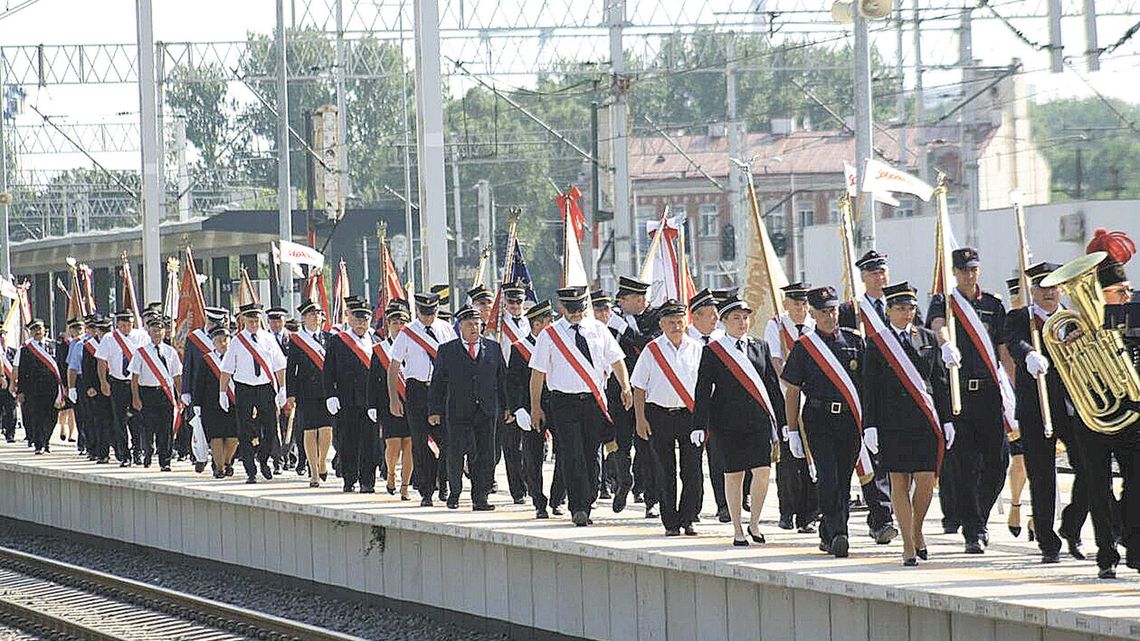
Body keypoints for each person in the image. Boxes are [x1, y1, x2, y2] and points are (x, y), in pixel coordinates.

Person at [928, 247, 1012, 554]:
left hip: (989, 392)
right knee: (963, 465)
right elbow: (939, 325)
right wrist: (946, 344)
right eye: (963, 270)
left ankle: (980, 515)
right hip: (958, 393)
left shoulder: (993, 304)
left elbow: (1002, 349)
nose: (969, 274)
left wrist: (1015, 391)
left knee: (998, 461)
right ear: (955, 272)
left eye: (973, 269)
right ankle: (973, 530)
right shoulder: (944, 302)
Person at [863, 282, 954, 566]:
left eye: (911, 308)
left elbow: (939, 383)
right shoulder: (877, 343)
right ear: (888, 310)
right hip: (892, 423)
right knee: (899, 482)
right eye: (900, 309)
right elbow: (870, 388)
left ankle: (917, 529)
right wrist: (870, 426)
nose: (906, 314)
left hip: (924, 420)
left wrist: (948, 419)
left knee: (926, 481)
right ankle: (907, 543)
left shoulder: (926, 338)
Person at [1004, 261, 1089, 563]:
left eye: (1053, 286)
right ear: (1033, 290)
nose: (1049, 292)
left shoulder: (1074, 319)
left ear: (1061, 288)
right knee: (1041, 477)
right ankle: (1047, 542)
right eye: (1042, 287)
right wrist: (1028, 354)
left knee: (1090, 470)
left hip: (1073, 406)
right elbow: (1014, 342)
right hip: (1036, 408)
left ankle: (1072, 525)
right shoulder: (1019, 318)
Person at [529, 286, 631, 527]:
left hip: (593, 401)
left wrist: (625, 387)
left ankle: (591, 496)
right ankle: (579, 507)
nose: (576, 313)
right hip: (564, 402)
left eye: (580, 309)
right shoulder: (550, 335)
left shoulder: (598, 330)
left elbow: (617, 360)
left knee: (591, 454)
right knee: (571, 454)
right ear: (562, 308)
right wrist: (535, 407)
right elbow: (537, 374)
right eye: (571, 309)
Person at [691, 294, 785, 546]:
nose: (742, 322)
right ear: (724, 322)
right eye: (736, 318)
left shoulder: (760, 346)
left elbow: (772, 387)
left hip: (758, 421)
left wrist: (784, 421)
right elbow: (702, 389)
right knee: (734, 475)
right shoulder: (713, 351)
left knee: (763, 471)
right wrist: (699, 424)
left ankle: (754, 522)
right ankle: (737, 528)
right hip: (727, 423)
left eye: (745, 318)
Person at [781, 286, 865, 558]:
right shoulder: (805, 347)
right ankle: (839, 532)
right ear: (813, 314)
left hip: (849, 422)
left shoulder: (854, 341)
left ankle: (829, 532)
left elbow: (866, 385)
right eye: (824, 312)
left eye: (833, 310)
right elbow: (792, 389)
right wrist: (792, 430)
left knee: (843, 478)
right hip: (818, 418)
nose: (830, 316)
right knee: (827, 477)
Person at [837, 249, 900, 545]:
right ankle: (882, 518)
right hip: (863, 390)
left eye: (883, 272)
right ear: (862, 277)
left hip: (897, 391)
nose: (880, 277)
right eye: (873, 273)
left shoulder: (899, 304)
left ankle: (887, 514)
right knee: (869, 457)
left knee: (891, 458)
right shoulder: (851, 311)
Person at [631, 300, 703, 536]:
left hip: (689, 416)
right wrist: (640, 420)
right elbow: (639, 388)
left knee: (692, 470)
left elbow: (705, 387)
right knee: (665, 470)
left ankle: (689, 517)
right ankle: (670, 522)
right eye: (670, 322)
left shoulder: (697, 349)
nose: (676, 326)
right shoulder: (652, 351)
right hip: (659, 414)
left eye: (680, 322)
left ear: (686, 322)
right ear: (661, 324)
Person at [430, 304, 509, 510]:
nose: (474, 328)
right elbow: (438, 381)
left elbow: (502, 380)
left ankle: (480, 497)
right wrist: (434, 410)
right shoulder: (447, 350)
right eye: (469, 324)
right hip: (458, 410)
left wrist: (508, 407)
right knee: (456, 453)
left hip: (486, 410)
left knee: (486, 454)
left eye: (477, 324)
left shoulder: (493, 348)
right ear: (460, 327)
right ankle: (455, 492)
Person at [389, 291, 457, 506]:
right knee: (420, 442)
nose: (428, 317)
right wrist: (393, 398)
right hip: (417, 391)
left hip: (442, 390)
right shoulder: (407, 333)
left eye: (432, 313)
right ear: (417, 311)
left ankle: (444, 482)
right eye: (424, 313)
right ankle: (426, 490)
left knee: (446, 440)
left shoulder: (446, 329)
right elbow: (394, 367)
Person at [765, 282, 818, 533]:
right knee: (788, 457)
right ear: (787, 304)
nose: (801, 308)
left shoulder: (815, 325)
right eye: (796, 304)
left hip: (812, 397)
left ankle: (809, 513)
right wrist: (790, 384)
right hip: (785, 396)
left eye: (804, 304)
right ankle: (787, 511)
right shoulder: (776, 325)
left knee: (812, 454)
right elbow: (775, 360)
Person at [220, 303, 287, 484]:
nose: (254, 324)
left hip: (265, 388)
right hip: (244, 389)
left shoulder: (268, 339)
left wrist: (282, 389)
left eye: (256, 320)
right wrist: (222, 392)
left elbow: (279, 365)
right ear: (244, 321)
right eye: (250, 321)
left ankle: (264, 459)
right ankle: (251, 470)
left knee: (271, 429)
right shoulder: (237, 341)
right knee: (245, 431)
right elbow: (226, 369)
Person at [610, 276, 658, 516]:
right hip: (620, 390)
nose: (620, 302)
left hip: (647, 391)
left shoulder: (657, 318)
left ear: (639, 299)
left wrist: (626, 330)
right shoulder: (616, 320)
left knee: (647, 446)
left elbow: (650, 345)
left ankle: (652, 499)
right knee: (621, 442)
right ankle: (623, 480)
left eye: (624, 298)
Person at [325, 298, 383, 492]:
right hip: (346, 400)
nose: (361, 323)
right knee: (347, 441)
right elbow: (328, 372)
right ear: (350, 319)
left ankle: (368, 481)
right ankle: (349, 479)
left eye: (365, 320)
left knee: (371, 444)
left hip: (370, 402)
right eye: (357, 319)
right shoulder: (338, 341)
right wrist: (330, 395)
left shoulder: (376, 342)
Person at [507, 299, 555, 518]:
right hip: (530, 408)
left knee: (565, 453)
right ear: (537, 325)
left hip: (557, 406)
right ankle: (539, 501)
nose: (553, 324)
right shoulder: (520, 348)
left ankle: (557, 496)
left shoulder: (559, 344)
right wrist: (518, 409)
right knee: (532, 457)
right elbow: (513, 381)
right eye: (549, 321)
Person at [687, 288, 729, 523]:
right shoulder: (684, 340)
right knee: (692, 463)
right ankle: (693, 508)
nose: (716, 319)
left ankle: (724, 504)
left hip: (718, 407)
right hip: (689, 407)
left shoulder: (722, 339)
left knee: (719, 459)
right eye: (711, 314)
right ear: (696, 316)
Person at [128, 315, 183, 471]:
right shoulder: (141, 352)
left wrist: (180, 395)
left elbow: (177, 375)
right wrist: (135, 397)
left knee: (166, 428)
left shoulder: (170, 352)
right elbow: (134, 377)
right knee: (148, 426)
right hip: (147, 392)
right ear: (149, 333)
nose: (157, 334)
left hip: (165, 393)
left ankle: (165, 461)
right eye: (154, 331)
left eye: (160, 331)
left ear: (164, 332)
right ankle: (148, 450)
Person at [287, 300, 332, 488]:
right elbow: (291, 369)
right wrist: (290, 393)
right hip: (305, 391)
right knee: (310, 431)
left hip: (326, 390)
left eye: (318, 313)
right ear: (304, 318)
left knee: (326, 429)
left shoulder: (329, 338)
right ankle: (313, 471)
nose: (316, 317)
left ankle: (322, 461)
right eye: (311, 314)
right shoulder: (297, 340)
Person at [371, 302, 413, 500]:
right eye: (394, 322)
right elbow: (372, 380)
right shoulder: (380, 349)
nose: (398, 326)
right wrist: (372, 406)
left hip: (412, 402)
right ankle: (390, 474)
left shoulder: (415, 347)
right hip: (388, 403)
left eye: (402, 322)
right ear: (388, 325)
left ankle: (405, 485)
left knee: (410, 445)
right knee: (394, 445)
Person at [96, 310, 146, 466]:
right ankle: (124, 454)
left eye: (129, 325)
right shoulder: (109, 338)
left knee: (137, 418)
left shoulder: (141, 336)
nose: (126, 328)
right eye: (123, 325)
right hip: (118, 382)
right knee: (120, 420)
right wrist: (103, 382)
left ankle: (138, 451)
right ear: (118, 325)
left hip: (137, 382)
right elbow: (101, 362)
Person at [496, 282, 531, 505]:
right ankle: (517, 490)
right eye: (511, 302)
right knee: (511, 445)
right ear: (504, 303)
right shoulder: (498, 326)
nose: (516, 306)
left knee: (531, 443)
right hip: (507, 383)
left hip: (529, 384)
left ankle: (530, 482)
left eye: (519, 301)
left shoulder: (531, 322)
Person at [1002, 276, 1030, 540]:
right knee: (1020, 460)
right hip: (1010, 394)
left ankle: (1036, 515)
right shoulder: (1010, 322)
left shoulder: (1036, 321)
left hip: (1037, 394)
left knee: (1044, 464)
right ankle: (1016, 504)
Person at [13, 318, 64, 454]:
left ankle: (46, 440)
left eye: (39, 329)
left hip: (52, 387)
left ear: (44, 330)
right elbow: (22, 371)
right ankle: (39, 444)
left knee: (52, 416)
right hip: (34, 388)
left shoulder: (54, 346)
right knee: (37, 416)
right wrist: (21, 391)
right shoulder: (26, 349)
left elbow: (61, 367)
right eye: (34, 329)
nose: (37, 331)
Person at [194, 326, 238, 478]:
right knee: (216, 436)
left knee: (233, 436)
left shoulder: (237, 358)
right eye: (219, 340)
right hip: (211, 404)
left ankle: (227, 462)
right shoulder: (206, 360)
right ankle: (219, 468)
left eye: (225, 340)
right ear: (213, 343)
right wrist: (197, 404)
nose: (223, 343)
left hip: (233, 403)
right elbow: (199, 383)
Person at [77, 317, 112, 463]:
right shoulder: (88, 345)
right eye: (101, 330)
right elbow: (86, 368)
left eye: (106, 330)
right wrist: (89, 387)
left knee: (113, 421)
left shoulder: (115, 343)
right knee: (98, 421)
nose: (103, 333)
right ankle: (99, 451)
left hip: (114, 387)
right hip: (96, 389)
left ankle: (119, 451)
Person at [55, 319, 82, 448]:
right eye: (75, 328)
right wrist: (64, 384)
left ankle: (72, 433)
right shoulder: (66, 344)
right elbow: (64, 364)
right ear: (70, 330)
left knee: (72, 409)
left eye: (80, 328)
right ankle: (62, 428)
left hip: (80, 381)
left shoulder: (83, 343)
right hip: (67, 379)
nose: (78, 331)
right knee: (64, 409)